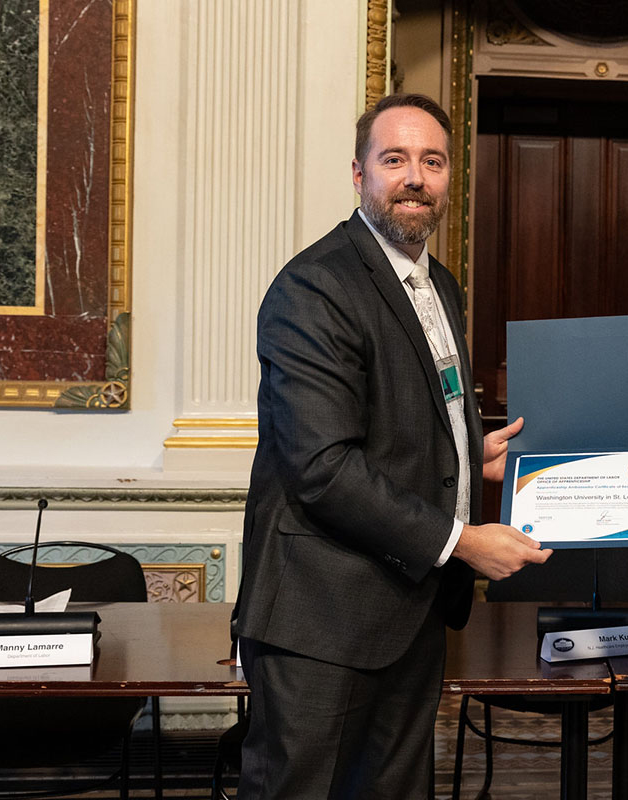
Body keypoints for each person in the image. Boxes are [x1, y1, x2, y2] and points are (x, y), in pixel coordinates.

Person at [234, 93, 551, 799]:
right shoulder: (315, 288)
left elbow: (410, 417)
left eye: (432, 161)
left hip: (409, 613)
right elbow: (322, 468)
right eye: (395, 159)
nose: (415, 176)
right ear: (358, 174)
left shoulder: (441, 285)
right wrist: (463, 541)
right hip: (320, 621)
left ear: (448, 178)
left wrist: (473, 453)